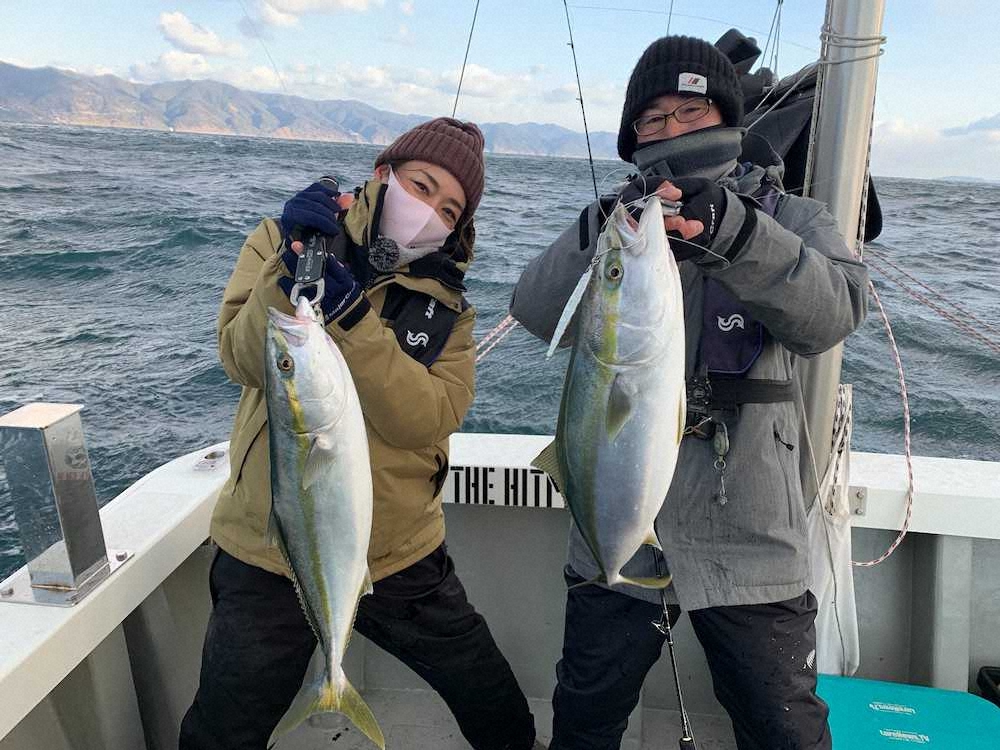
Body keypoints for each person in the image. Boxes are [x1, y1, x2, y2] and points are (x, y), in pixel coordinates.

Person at [510, 36, 869, 750]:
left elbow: (834, 313)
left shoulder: (792, 218)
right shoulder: (615, 223)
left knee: (783, 729)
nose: (672, 129)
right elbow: (536, 309)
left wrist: (737, 233)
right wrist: (608, 233)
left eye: (691, 111)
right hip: (614, 524)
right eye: (652, 119)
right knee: (585, 716)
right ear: (632, 138)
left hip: (750, 528)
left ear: (728, 118)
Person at [181, 117, 539, 750]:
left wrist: (351, 320)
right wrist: (290, 266)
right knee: (224, 726)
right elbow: (241, 358)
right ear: (382, 174)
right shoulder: (279, 240)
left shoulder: (450, 312)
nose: (429, 212)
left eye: (449, 210)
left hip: (398, 547)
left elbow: (426, 417)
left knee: (487, 692)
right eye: (421, 186)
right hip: (269, 542)